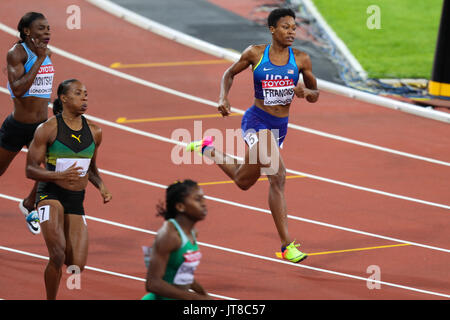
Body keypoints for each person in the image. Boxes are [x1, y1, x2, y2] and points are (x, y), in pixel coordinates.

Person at [187, 8, 319, 263]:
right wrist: (223, 97)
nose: (292, 32)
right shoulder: (255, 54)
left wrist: (307, 94)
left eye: (294, 27)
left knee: (243, 181)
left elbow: (315, 94)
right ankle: (286, 246)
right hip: (256, 122)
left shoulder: (301, 59)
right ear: (272, 29)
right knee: (278, 176)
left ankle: (208, 149)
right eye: (285, 27)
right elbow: (229, 74)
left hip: (280, 127)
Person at [26, 79, 112, 300]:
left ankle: (56, 231)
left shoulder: (95, 131)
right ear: (64, 98)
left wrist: (102, 187)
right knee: (57, 254)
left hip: (76, 199)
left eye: (86, 93)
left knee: (76, 264)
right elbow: (30, 169)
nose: (84, 98)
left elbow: (91, 169)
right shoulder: (47, 129)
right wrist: (58, 175)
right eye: (78, 93)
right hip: (49, 193)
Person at [0, 12, 54, 234]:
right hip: (17, 127)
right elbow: (19, 89)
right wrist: (40, 59)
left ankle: (29, 204)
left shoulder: (47, 53)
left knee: (54, 167)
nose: (47, 32)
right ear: (27, 31)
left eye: (48, 28)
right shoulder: (16, 53)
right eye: (41, 28)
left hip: (41, 127)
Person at [142, 180, 211, 300]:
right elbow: (152, 284)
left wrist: (203, 293)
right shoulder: (169, 236)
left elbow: (182, 273)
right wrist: (197, 298)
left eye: (203, 199)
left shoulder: (192, 232)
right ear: (180, 207)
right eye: (198, 199)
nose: (204, 204)